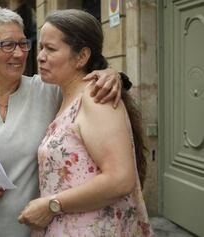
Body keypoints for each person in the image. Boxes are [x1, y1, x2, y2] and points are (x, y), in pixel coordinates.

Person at [0, 8, 128, 237]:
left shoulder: (48, 90)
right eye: (7, 45)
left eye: (23, 44)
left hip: (36, 228)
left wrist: (112, 74)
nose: (19, 54)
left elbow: (82, 83)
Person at [17, 9, 153, 236]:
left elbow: (120, 179)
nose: (40, 56)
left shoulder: (94, 98)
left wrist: (51, 204)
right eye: (41, 47)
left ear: (82, 57)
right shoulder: (64, 95)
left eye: (50, 49)